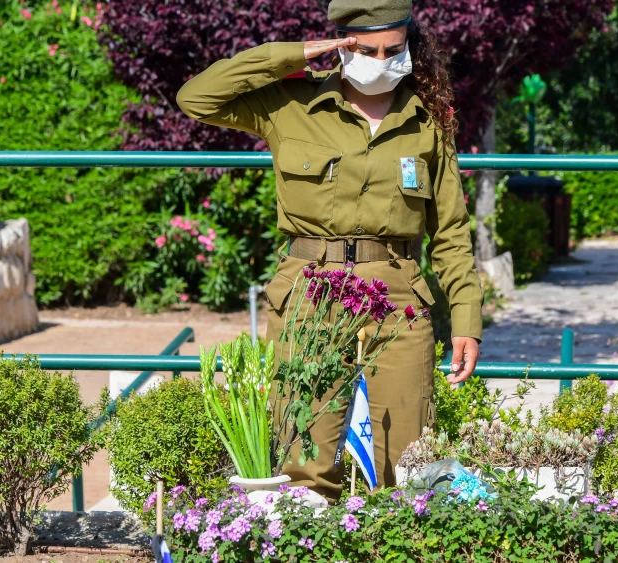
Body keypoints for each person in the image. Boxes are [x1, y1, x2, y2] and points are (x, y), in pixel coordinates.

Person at [176, 0, 482, 500]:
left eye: (394, 49)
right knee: (303, 464)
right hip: (308, 289)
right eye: (367, 49)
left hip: (398, 294)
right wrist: (295, 54)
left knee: (407, 466)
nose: (382, 61)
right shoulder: (291, 104)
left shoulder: (428, 119)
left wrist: (467, 317)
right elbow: (197, 97)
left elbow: (450, 230)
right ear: (341, 44)